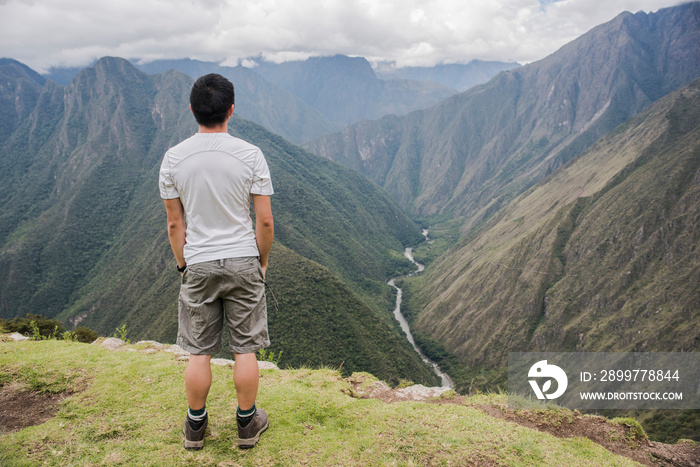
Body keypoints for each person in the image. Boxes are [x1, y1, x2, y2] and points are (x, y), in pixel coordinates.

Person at [158, 73, 274, 450]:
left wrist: (183, 264)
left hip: (199, 263)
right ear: (231, 110)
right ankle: (246, 424)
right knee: (245, 348)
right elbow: (265, 220)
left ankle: (195, 427)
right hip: (243, 260)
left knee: (199, 350)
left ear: (193, 110)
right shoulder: (250, 154)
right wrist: (262, 262)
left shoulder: (174, 158)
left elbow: (175, 222)